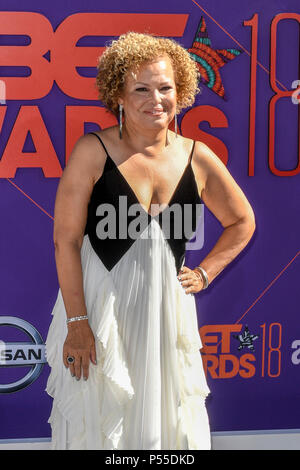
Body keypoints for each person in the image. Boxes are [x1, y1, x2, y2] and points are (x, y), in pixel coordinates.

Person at [45, 32, 255, 450]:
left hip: (165, 312)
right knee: (101, 424)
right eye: (140, 88)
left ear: (182, 91)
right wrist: (77, 323)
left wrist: (205, 272)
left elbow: (242, 221)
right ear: (118, 96)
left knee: (165, 427)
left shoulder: (197, 155)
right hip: (100, 310)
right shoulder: (93, 151)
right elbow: (65, 241)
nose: (155, 99)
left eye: (165, 88)